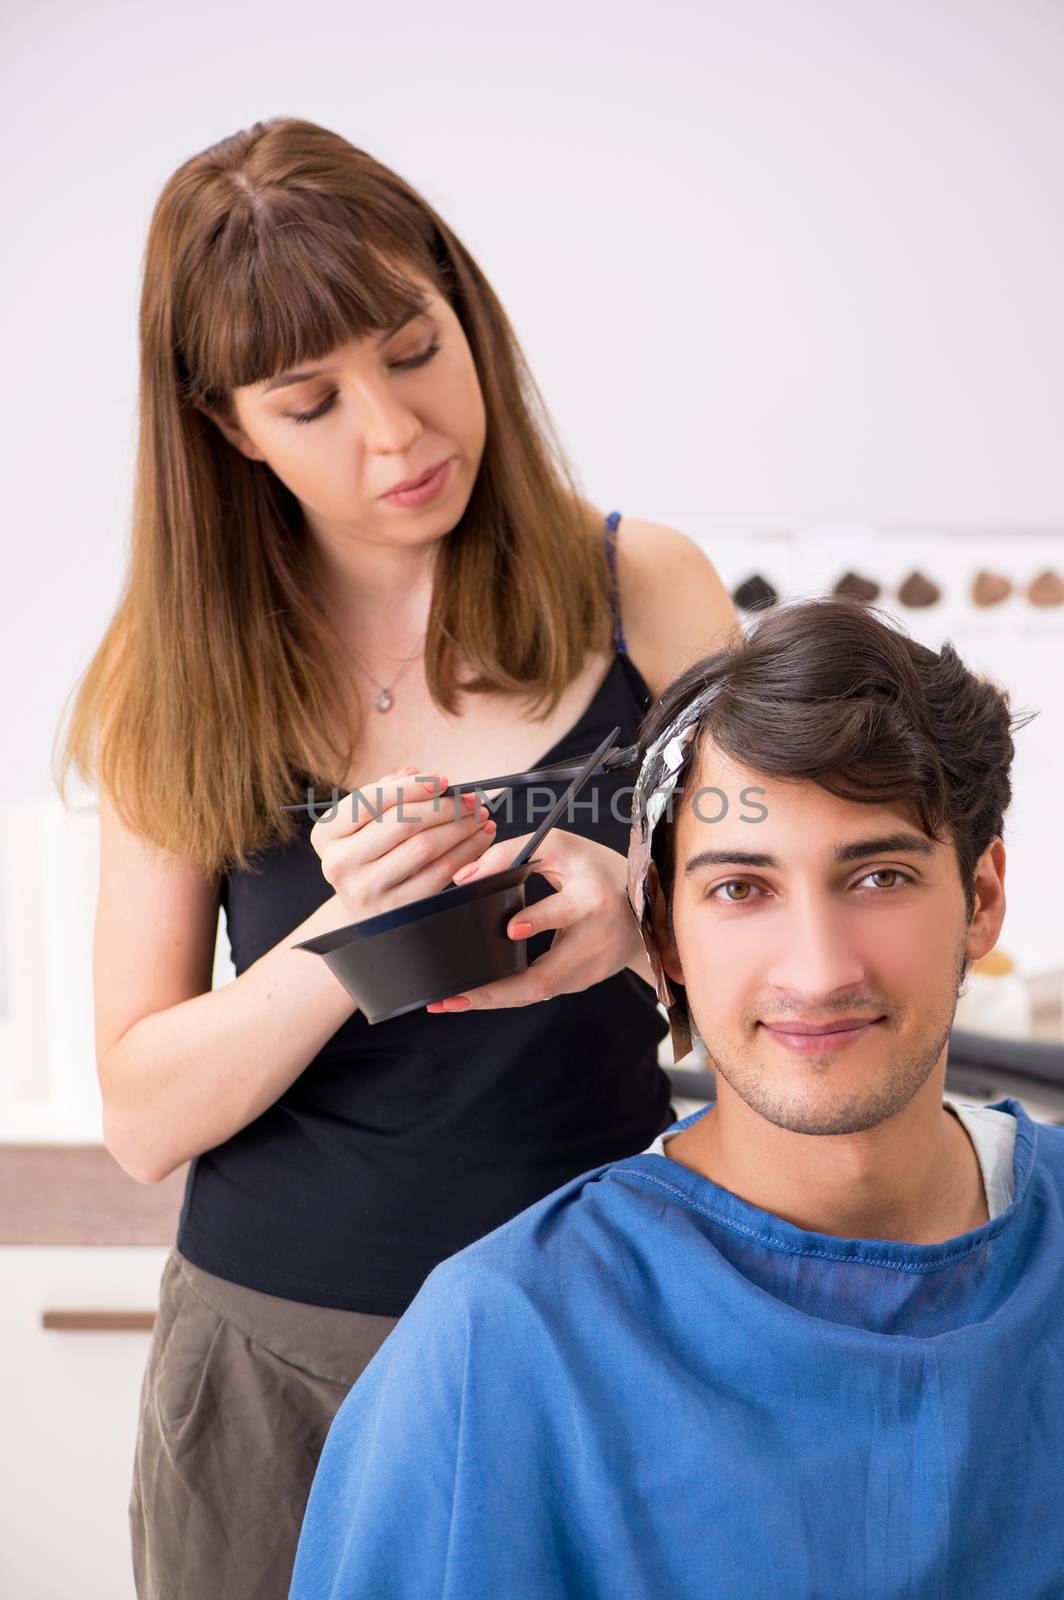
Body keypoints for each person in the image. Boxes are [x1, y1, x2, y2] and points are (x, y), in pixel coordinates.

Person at [53, 116, 738, 1598]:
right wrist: (345, 937)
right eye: (310, 401)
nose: (397, 434)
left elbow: (780, 953)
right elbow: (142, 1111)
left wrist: (649, 917)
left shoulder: (646, 588)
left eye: (416, 351)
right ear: (229, 427)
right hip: (276, 1366)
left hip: (603, 1322)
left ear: (467, 313)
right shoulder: (181, 675)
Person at [289, 595, 1064, 1600]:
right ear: (660, 936)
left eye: (878, 876)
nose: (818, 970)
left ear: (983, 898)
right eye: (741, 888)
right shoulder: (509, 1340)